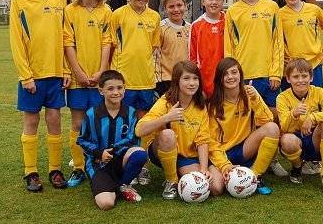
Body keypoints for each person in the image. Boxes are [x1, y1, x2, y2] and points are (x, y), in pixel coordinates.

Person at [9, 0, 70, 191]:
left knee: (55, 119)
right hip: (32, 75)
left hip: (56, 73)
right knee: (31, 120)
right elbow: (16, 40)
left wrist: (66, 70)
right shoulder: (19, 1)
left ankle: (55, 170)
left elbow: (66, 38)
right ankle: (30, 172)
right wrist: (26, 75)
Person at [224, 0, 287, 177]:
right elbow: (229, 47)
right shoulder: (232, 11)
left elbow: (278, 41)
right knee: (249, 121)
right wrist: (233, 77)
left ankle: (273, 159)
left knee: (272, 117)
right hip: (245, 77)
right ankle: (253, 160)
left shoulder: (271, 7)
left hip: (269, 76)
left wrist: (276, 72)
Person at [136, 61, 224, 199]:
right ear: (177, 81)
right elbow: (140, 130)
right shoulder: (165, 102)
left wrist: (204, 169)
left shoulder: (200, 106)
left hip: (191, 155)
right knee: (168, 134)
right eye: (186, 78)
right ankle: (171, 181)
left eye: (195, 79)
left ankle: (185, 172)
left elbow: (203, 139)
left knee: (216, 187)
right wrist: (166, 118)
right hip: (166, 150)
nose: (192, 83)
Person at [63, 0, 112, 187]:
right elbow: (68, 43)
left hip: (98, 78)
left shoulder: (106, 11)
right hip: (77, 79)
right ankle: (79, 167)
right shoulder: (70, 11)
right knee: (77, 122)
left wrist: (101, 72)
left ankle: (99, 164)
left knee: (99, 122)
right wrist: (79, 72)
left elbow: (106, 43)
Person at [110, 0, 160, 184]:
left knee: (143, 125)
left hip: (146, 81)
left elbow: (154, 47)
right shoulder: (118, 15)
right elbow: (111, 46)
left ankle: (143, 166)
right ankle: (122, 163)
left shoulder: (154, 17)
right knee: (123, 125)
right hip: (124, 82)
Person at [208, 57, 280, 195]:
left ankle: (255, 176)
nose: (230, 77)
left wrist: (256, 100)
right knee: (216, 189)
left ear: (240, 75)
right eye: (226, 74)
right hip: (223, 153)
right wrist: (224, 165)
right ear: (220, 79)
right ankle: (234, 172)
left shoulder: (249, 95)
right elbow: (211, 142)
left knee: (272, 128)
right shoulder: (213, 105)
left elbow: (268, 120)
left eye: (234, 72)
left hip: (244, 148)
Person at [77, 70, 147, 210]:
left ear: (124, 89)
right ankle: (112, 186)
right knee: (106, 204)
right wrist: (98, 153)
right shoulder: (92, 114)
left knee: (139, 153)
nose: (116, 92)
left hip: (119, 159)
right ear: (101, 91)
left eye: (119, 88)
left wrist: (112, 151)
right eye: (110, 89)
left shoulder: (131, 112)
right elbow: (82, 140)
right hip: (98, 164)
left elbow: (133, 140)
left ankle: (123, 184)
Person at [276, 58, 323, 192]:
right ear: (288, 79)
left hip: (314, 138)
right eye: (295, 77)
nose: (301, 80)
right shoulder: (282, 97)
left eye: (304, 76)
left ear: (311, 77)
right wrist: (294, 114)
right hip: (296, 140)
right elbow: (284, 128)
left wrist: (313, 117)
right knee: (286, 140)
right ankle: (297, 167)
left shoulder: (318, 92)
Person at [189, 0, 226, 99]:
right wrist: (198, 87)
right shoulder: (197, 25)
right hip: (205, 85)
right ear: (202, 1)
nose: (214, 2)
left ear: (224, 1)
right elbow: (192, 58)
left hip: (227, 81)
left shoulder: (229, 21)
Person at [154, 0, 191, 97]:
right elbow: (154, 55)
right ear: (165, 8)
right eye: (171, 6)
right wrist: (156, 79)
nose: (176, 9)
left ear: (185, 6)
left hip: (185, 79)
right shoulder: (160, 28)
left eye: (179, 5)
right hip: (166, 79)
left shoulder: (191, 28)